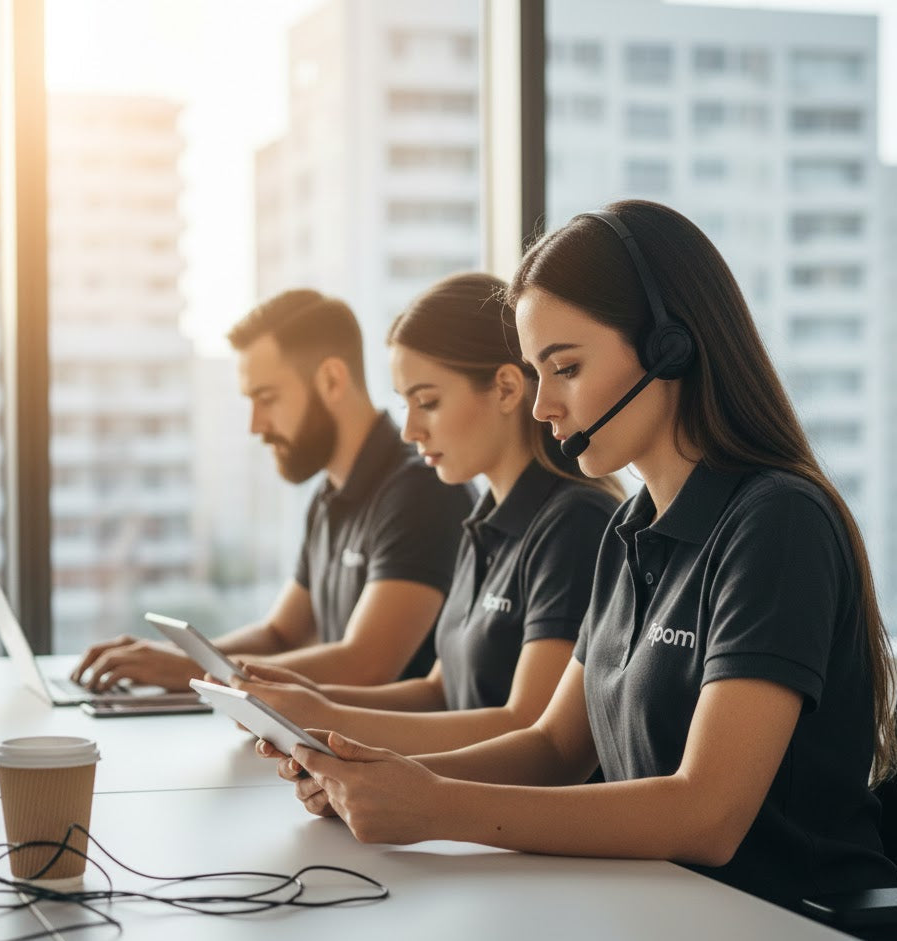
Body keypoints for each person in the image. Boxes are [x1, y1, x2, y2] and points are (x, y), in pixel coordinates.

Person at [269, 201, 897, 916]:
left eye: (564, 367)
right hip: (655, 908)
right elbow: (552, 747)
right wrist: (379, 779)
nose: (541, 407)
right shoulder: (629, 527)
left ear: (670, 348)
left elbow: (706, 813)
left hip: (781, 918)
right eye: (536, 373)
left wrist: (437, 808)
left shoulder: (775, 521)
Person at [226, 272, 622, 754]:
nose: (410, 429)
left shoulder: (574, 523)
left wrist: (325, 718)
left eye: (427, 402)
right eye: (405, 404)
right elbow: (440, 691)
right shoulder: (484, 523)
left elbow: (528, 726)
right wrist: (301, 702)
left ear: (505, 389)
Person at [71, 289, 474, 692]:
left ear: (332, 380)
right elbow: (281, 634)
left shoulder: (421, 490)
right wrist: (172, 658)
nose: (255, 425)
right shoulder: (328, 498)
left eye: (268, 399)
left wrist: (194, 673)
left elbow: (365, 665)